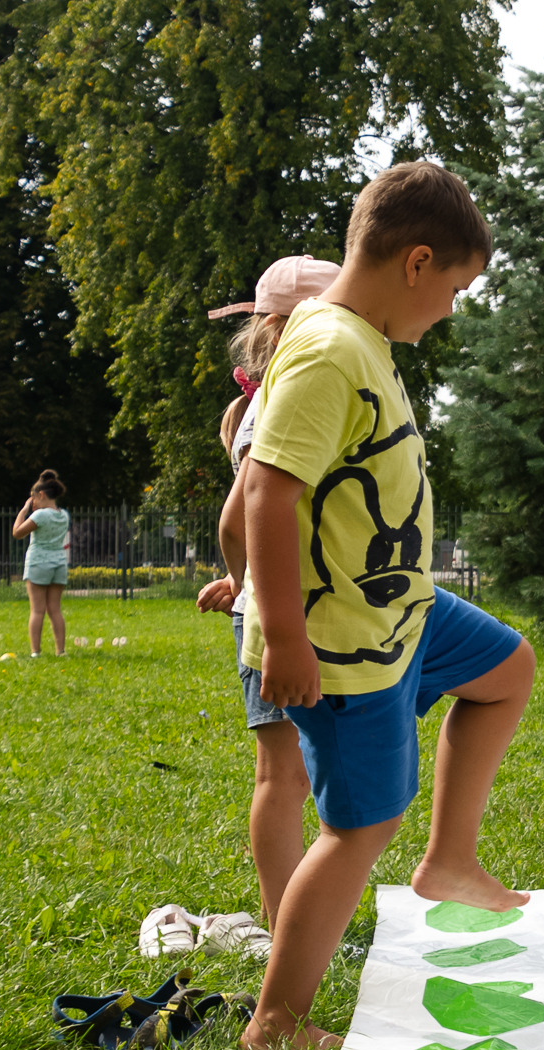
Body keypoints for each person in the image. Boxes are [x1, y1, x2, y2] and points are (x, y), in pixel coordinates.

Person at [236, 161, 535, 1050]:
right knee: (359, 827)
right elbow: (265, 494)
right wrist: (285, 638)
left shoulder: (363, 340)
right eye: (453, 287)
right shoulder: (330, 348)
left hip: (403, 610)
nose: (449, 308)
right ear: (415, 262)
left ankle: (448, 864)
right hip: (342, 641)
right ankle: (277, 1022)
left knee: (506, 668)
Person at [197, 256, 338, 924]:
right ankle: (283, 916)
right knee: (284, 775)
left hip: (285, 605)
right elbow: (237, 518)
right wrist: (242, 581)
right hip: (275, 613)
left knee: (290, 772)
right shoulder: (284, 399)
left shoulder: (266, 397)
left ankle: (291, 910)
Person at [12, 470, 71, 657]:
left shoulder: (40, 516)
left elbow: (17, 533)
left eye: (33, 499)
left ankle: (36, 652)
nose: (33, 503)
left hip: (38, 563)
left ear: (41, 495)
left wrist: (23, 510)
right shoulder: (64, 515)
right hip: (59, 564)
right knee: (55, 610)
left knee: (37, 611)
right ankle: (60, 651)